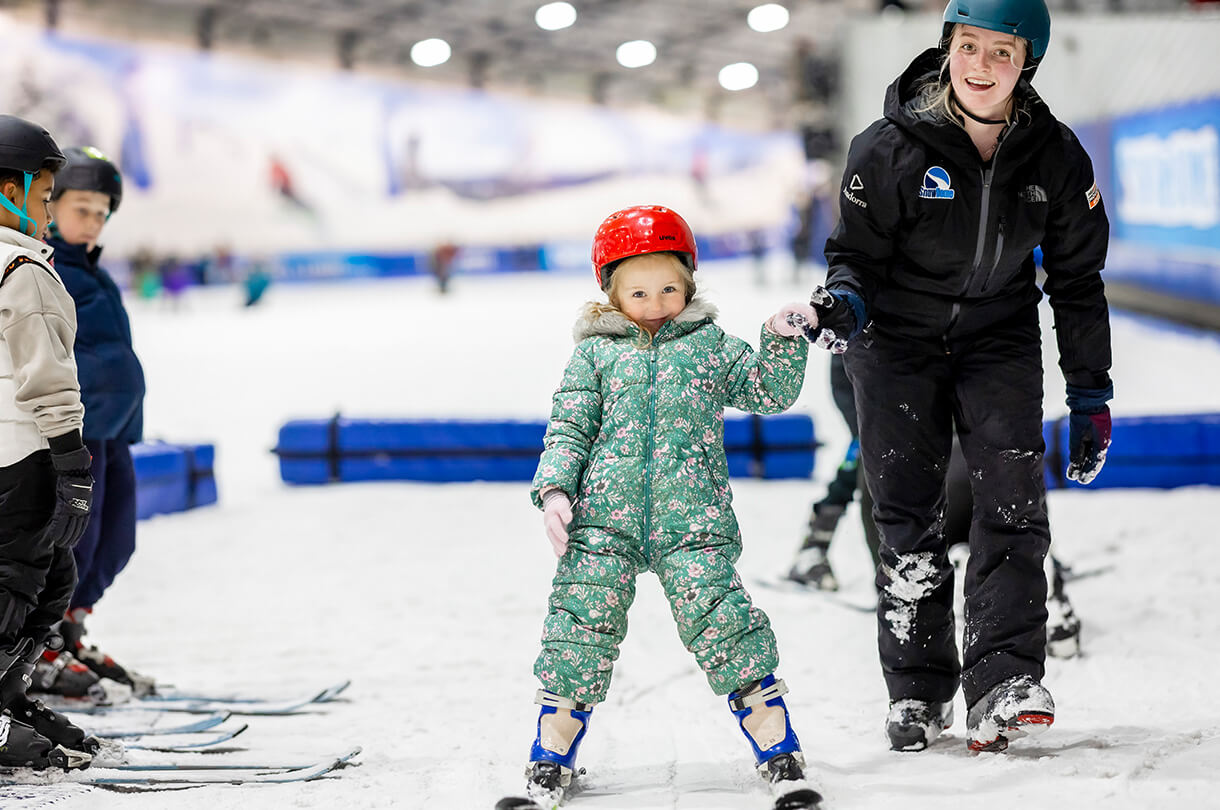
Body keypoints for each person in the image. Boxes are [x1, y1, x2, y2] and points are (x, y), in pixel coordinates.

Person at [796, 0, 1113, 754]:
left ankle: (1004, 680)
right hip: (895, 343)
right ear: (948, 48)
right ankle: (918, 687)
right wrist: (843, 303)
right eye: (969, 46)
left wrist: (1090, 393)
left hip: (998, 337)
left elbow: (1077, 281)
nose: (981, 65)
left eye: (1002, 52)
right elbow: (855, 259)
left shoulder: (1055, 156)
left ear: (1027, 63)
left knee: (1013, 501)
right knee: (907, 513)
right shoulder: (886, 148)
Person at [502, 206, 822, 809]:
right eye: (639, 293)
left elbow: (769, 391)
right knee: (578, 631)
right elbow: (568, 429)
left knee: (727, 623)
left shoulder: (709, 347)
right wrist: (554, 492)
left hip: (692, 521)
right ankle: (551, 753)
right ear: (611, 294)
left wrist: (781, 338)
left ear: (690, 285)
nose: (655, 304)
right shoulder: (594, 357)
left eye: (669, 289)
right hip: (603, 523)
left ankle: (778, 747)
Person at [785, 356, 1083, 661]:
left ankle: (1032, 571)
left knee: (1000, 457)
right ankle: (848, 555)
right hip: (880, 384)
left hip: (950, 392)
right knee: (872, 453)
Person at [0, 114, 98, 769]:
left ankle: (6, 696)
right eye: (43, 198)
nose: (45, 213)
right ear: (9, 190)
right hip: (23, 451)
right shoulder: (21, 268)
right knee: (19, 584)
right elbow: (46, 374)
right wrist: (72, 461)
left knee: (52, 576)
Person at [36, 146, 151, 699]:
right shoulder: (44, 267)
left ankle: (71, 630)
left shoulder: (91, 271)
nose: (93, 222)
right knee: (73, 545)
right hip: (76, 430)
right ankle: (40, 644)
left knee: (115, 540)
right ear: (49, 203)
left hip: (115, 427)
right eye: (82, 208)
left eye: (102, 213)